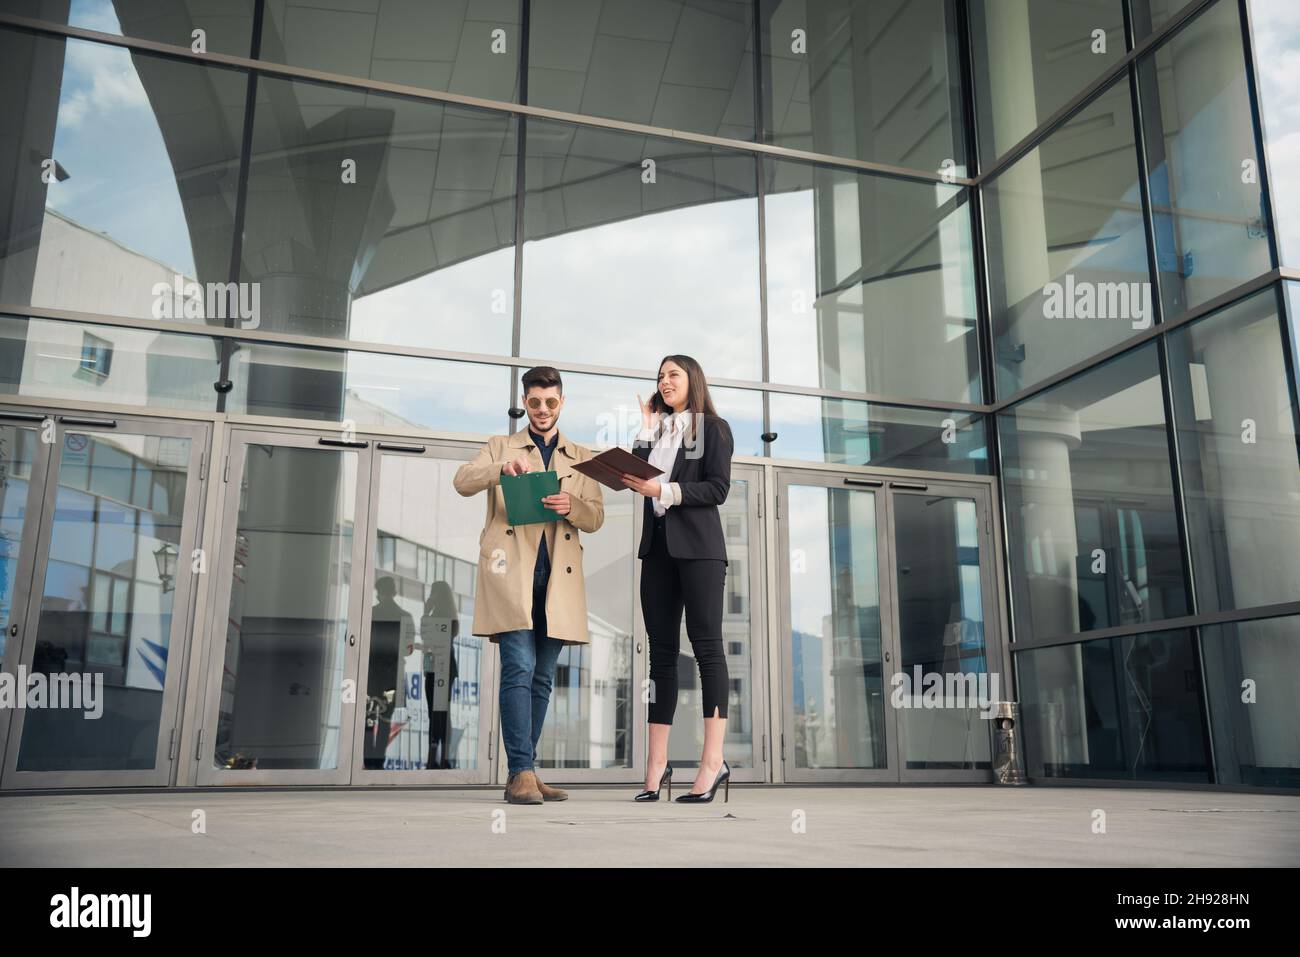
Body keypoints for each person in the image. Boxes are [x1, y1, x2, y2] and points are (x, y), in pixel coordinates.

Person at [454, 366, 604, 805]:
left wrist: (571, 504)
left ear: (562, 403)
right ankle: (520, 771)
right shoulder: (500, 446)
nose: (542, 410)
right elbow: (462, 480)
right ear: (525, 402)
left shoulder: (580, 455)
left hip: (559, 577)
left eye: (551, 402)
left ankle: (527, 770)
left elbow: (595, 516)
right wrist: (501, 469)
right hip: (511, 572)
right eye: (535, 402)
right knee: (518, 667)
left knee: (541, 677)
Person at [623, 355, 734, 803]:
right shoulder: (661, 431)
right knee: (661, 655)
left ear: (693, 381)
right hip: (659, 550)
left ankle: (713, 763)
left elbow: (718, 489)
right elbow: (634, 475)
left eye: (673, 375)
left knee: (706, 646)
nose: (665, 381)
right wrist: (647, 425)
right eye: (660, 376)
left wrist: (664, 491)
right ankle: (657, 764)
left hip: (700, 550)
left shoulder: (712, 428)